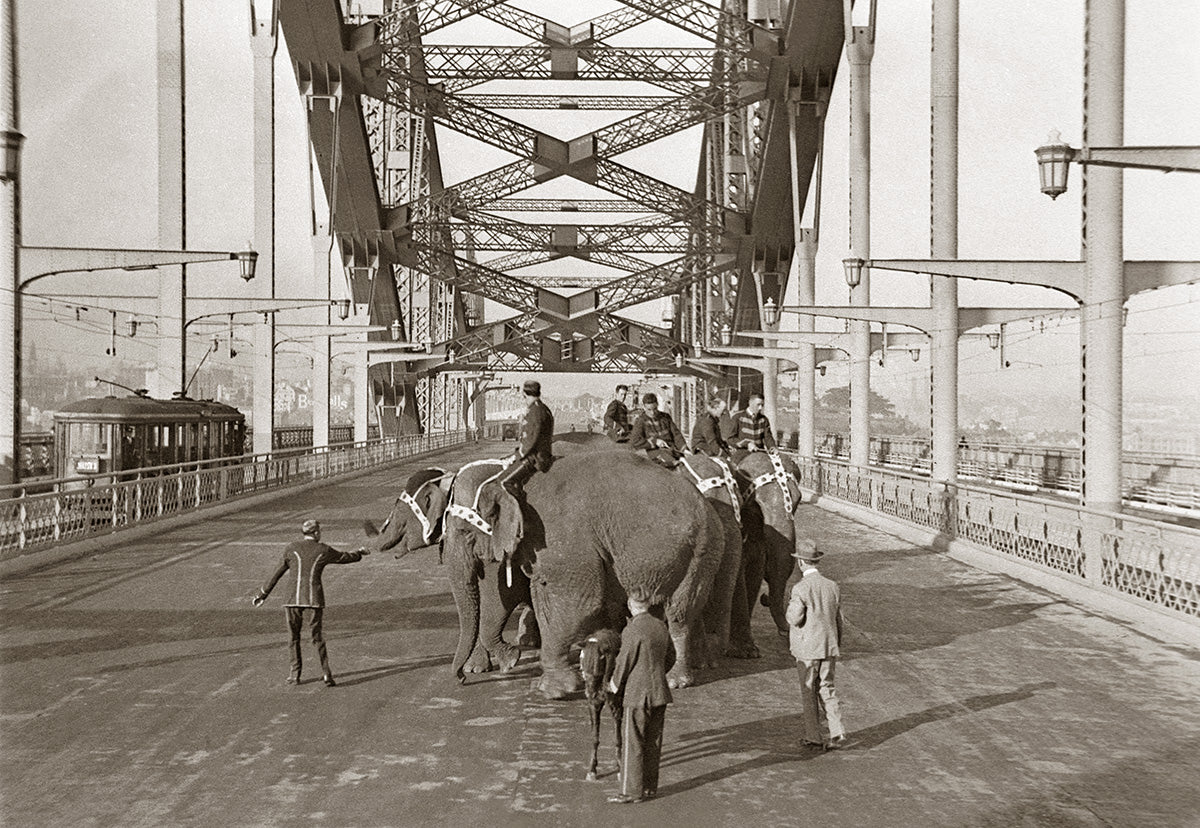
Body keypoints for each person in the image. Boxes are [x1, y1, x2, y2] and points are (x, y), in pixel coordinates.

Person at [252, 519, 368, 687]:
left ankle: (294, 674)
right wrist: (359, 553)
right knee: (317, 638)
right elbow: (344, 557)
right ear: (316, 533)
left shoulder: (291, 548)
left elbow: (276, 573)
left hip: (292, 600)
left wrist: (262, 594)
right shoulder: (323, 550)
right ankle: (326, 674)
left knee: (293, 638)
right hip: (313, 600)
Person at [607, 596, 675, 804]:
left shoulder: (631, 630)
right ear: (648, 606)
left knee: (633, 741)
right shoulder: (661, 626)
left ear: (630, 606)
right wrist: (659, 675)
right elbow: (671, 656)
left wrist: (614, 685)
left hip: (637, 694)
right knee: (653, 742)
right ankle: (649, 788)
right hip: (660, 693)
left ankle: (630, 791)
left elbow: (624, 661)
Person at [785, 540, 847, 750]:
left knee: (808, 690)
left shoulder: (800, 588)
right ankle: (837, 731)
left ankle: (814, 736)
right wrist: (836, 643)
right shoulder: (832, 586)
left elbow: (794, 618)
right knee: (827, 688)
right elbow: (839, 620)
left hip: (807, 649)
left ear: (801, 562)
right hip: (828, 646)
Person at [499, 379, 554, 499]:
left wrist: (516, 457)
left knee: (503, 482)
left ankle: (521, 513)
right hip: (540, 454)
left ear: (525, 395)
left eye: (524, 397)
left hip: (535, 459)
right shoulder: (543, 408)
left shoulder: (535, 411)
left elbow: (530, 440)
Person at [629, 392, 686, 467]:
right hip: (655, 454)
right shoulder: (640, 421)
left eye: (655, 409)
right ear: (644, 407)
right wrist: (655, 441)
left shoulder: (666, 417)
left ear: (657, 404)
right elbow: (635, 441)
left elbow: (676, 435)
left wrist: (684, 449)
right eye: (649, 409)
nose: (652, 413)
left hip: (673, 451)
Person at [732, 392, 777, 459]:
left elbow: (768, 437)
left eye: (762, 405)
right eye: (758, 405)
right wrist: (747, 444)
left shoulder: (764, 419)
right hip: (742, 454)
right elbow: (731, 439)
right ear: (750, 403)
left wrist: (772, 447)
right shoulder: (738, 417)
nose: (760, 408)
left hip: (759, 454)